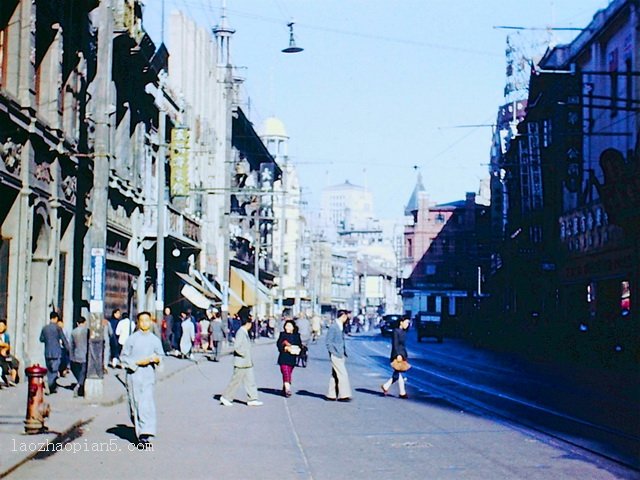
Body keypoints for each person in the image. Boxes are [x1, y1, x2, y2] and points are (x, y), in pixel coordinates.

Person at [119, 311, 164, 446]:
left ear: (151, 322)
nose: (144, 323)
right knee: (135, 404)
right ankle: (139, 431)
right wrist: (137, 363)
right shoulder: (132, 339)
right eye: (142, 321)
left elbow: (160, 355)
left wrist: (155, 359)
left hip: (148, 375)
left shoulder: (155, 340)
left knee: (146, 403)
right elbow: (124, 357)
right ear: (138, 323)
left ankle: (146, 432)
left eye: (147, 320)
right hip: (134, 376)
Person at [219, 314, 263, 407]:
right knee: (236, 381)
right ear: (248, 323)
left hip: (247, 362)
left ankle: (252, 398)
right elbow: (237, 347)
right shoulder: (241, 332)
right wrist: (244, 354)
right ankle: (226, 397)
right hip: (241, 362)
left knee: (251, 381)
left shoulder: (245, 332)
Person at [39, 311, 70, 394]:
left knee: (49, 369)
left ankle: (52, 386)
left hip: (47, 352)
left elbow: (41, 339)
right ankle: (49, 385)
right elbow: (64, 340)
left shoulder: (45, 328)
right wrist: (68, 350)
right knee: (54, 370)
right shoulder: (58, 328)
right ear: (56, 318)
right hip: (56, 352)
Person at [325, 309, 353, 402]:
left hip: (340, 354)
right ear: (343, 316)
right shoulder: (334, 326)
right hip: (336, 354)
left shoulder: (340, 325)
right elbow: (328, 342)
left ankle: (331, 395)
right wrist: (333, 352)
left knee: (335, 374)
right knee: (343, 374)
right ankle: (344, 395)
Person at [381, 316, 410, 399]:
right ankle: (402, 392)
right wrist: (398, 355)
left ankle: (386, 386)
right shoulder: (396, 332)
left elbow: (403, 345)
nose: (407, 325)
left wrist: (404, 355)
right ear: (401, 322)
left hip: (402, 354)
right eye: (406, 322)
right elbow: (395, 344)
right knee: (399, 373)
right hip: (397, 355)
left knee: (398, 374)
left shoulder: (403, 332)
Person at [277, 320, 303, 397]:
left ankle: (284, 388)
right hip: (283, 357)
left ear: (293, 327)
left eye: (289, 326)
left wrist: (297, 349)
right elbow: (278, 344)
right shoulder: (282, 334)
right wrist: (285, 347)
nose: (287, 327)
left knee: (289, 372)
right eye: (286, 325)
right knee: (285, 372)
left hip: (292, 357)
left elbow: (299, 345)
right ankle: (288, 389)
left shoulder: (297, 335)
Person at [70, 316, 89, 397]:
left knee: (78, 372)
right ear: (84, 323)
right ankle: (79, 386)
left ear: (77, 323)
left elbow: (71, 346)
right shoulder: (87, 331)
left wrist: (71, 356)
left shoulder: (73, 332)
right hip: (85, 355)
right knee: (83, 373)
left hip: (76, 355)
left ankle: (80, 385)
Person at [0, 319, 19, 386]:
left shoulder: (6, 336)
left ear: (5, 327)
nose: (0, 328)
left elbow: (8, 345)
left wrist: (5, 347)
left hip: (6, 354)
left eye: (2, 326)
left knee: (14, 361)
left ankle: (13, 380)